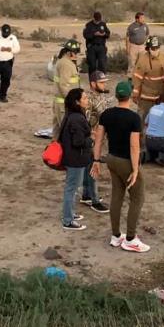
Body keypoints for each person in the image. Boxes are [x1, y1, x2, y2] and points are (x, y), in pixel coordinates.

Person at [91, 81, 151, 253]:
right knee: (137, 197)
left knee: (117, 195)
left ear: (117, 95)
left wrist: (96, 160)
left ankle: (116, 236)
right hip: (126, 161)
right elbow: (134, 146)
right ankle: (131, 238)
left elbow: (99, 139)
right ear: (131, 96)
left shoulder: (107, 114)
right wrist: (135, 169)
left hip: (111, 159)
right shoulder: (133, 118)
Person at [59, 88, 94, 231]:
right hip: (76, 158)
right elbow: (78, 141)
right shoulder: (77, 118)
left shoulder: (71, 115)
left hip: (72, 157)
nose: (87, 100)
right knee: (72, 188)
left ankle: (70, 214)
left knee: (72, 187)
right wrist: (91, 140)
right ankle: (67, 220)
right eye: (85, 98)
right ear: (77, 102)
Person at [80, 71, 114, 213]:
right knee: (94, 167)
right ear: (93, 83)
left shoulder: (100, 96)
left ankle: (87, 195)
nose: (104, 84)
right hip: (93, 138)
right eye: (101, 82)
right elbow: (85, 119)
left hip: (97, 137)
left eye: (104, 82)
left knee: (89, 166)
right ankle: (94, 200)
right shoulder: (89, 99)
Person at [132, 35, 164, 124]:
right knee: (142, 120)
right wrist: (135, 94)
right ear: (148, 48)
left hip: (160, 96)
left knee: (159, 120)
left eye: (157, 48)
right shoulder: (142, 60)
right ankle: (139, 137)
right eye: (153, 48)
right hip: (146, 97)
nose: (155, 50)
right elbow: (137, 78)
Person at [52, 39, 82, 136]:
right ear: (69, 52)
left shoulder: (64, 62)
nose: (77, 55)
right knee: (65, 132)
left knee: (58, 131)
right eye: (76, 52)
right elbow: (63, 85)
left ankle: (54, 149)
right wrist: (72, 101)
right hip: (64, 104)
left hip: (60, 102)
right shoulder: (66, 64)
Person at [0, 23, 21, 103]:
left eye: (7, 34)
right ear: (1, 31)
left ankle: (3, 96)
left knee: (6, 80)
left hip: (8, 62)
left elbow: (18, 48)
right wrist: (0, 48)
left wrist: (11, 49)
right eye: (4, 33)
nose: (6, 35)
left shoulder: (13, 37)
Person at [125, 12, 150, 77]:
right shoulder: (131, 27)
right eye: (141, 18)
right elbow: (127, 38)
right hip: (133, 46)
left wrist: (147, 44)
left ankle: (140, 77)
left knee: (142, 63)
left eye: (144, 18)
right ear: (137, 19)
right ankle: (130, 78)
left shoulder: (145, 26)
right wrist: (127, 48)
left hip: (142, 47)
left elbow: (147, 35)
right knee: (132, 64)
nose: (143, 19)